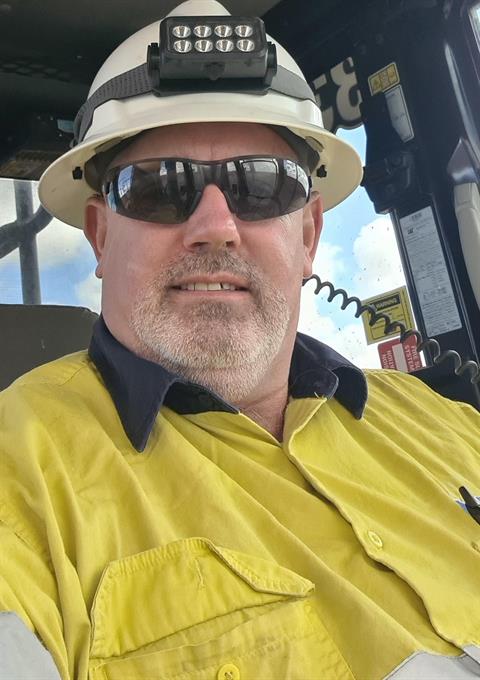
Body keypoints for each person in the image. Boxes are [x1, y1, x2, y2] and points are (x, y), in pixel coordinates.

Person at [1, 1, 480, 679]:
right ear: (101, 236)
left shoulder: (447, 422)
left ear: (309, 235)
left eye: (260, 186)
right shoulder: (19, 474)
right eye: (159, 188)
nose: (215, 228)